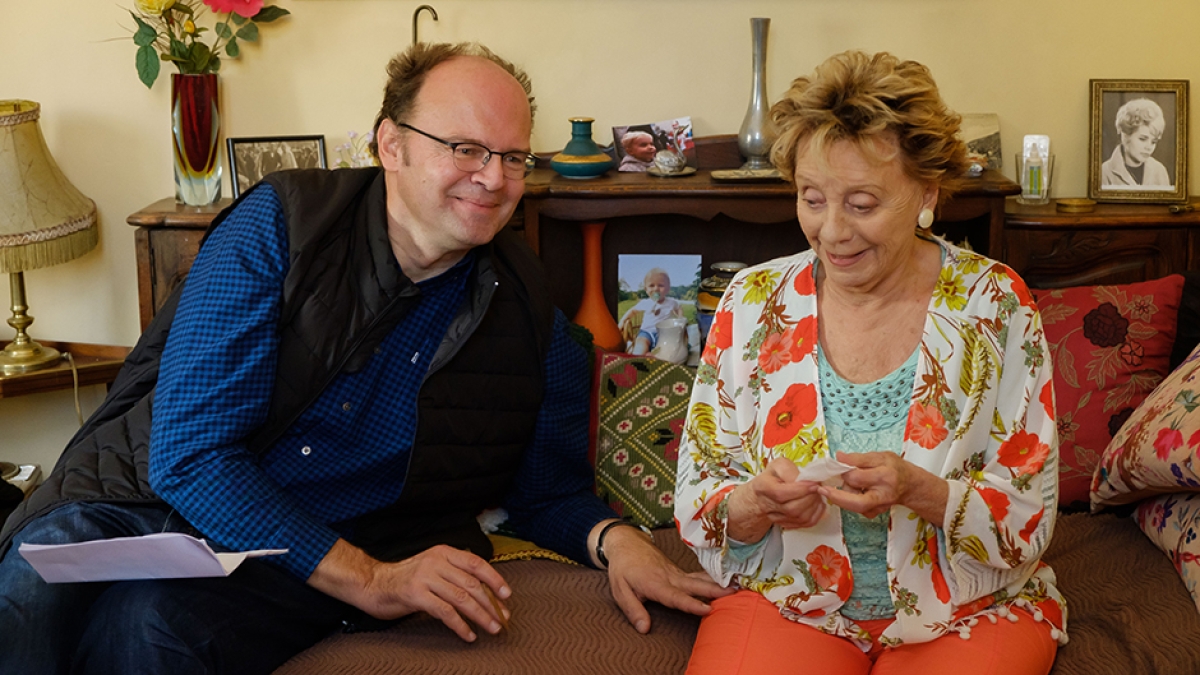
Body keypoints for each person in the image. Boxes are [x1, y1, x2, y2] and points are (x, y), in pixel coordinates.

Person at [0, 41, 729, 674]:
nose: (493, 177)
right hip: (139, 503)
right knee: (32, 586)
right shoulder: (279, 227)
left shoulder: (526, 300)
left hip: (300, 556)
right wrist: (374, 579)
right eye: (464, 147)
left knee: (149, 627)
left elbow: (545, 492)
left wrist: (619, 542)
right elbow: (191, 456)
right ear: (391, 143)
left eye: (512, 156)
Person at [674, 50, 1065, 675]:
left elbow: (1030, 515)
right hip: (791, 601)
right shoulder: (750, 303)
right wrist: (754, 504)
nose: (831, 232)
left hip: (970, 606)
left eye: (861, 203)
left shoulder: (995, 305)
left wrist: (923, 492)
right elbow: (699, 499)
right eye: (812, 198)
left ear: (927, 192)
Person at [1101, 97, 1171, 188]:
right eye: (1142, 139)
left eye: (1153, 142)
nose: (1149, 147)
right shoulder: (1104, 172)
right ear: (1125, 135)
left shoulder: (1160, 171)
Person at [619, 267, 684, 355]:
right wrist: (623, 321)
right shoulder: (645, 303)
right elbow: (633, 311)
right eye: (651, 285)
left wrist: (680, 318)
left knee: (669, 350)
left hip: (664, 334)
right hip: (646, 332)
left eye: (661, 285)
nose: (656, 289)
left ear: (668, 288)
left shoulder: (671, 302)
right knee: (640, 344)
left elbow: (678, 308)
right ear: (646, 289)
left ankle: (652, 355)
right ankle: (640, 355)